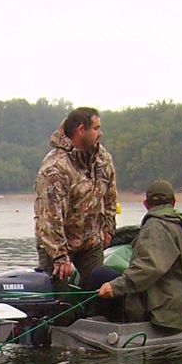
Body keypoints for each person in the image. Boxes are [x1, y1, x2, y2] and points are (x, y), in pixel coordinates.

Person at [97, 180, 182, 331]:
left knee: (99, 275)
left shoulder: (156, 226)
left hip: (169, 313)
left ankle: (93, 325)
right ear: (174, 202)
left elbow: (149, 268)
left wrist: (114, 287)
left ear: (145, 204)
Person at [34, 107, 118, 287]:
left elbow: (110, 195)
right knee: (60, 303)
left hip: (90, 242)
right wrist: (60, 257)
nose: (100, 133)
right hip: (56, 246)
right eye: (96, 128)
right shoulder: (55, 167)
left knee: (97, 295)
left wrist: (109, 228)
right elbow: (49, 217)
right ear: (81, 129)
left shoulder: (102, 158)